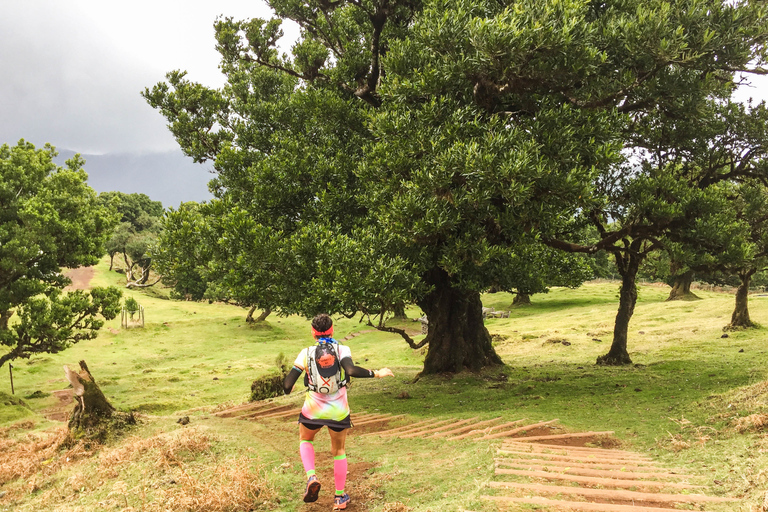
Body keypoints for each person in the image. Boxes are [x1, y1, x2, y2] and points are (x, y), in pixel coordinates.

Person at [283, 313, 394, 510]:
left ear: (313, 333)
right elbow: (350, 371)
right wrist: (377, 373)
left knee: (306, 440)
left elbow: (287, 384)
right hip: (338, 410)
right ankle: (339, 497)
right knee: (339, 451)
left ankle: (311, 477)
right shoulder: (341, 349)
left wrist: (290, 387)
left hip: (312, 410)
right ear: (332, 330)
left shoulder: (306, 352)